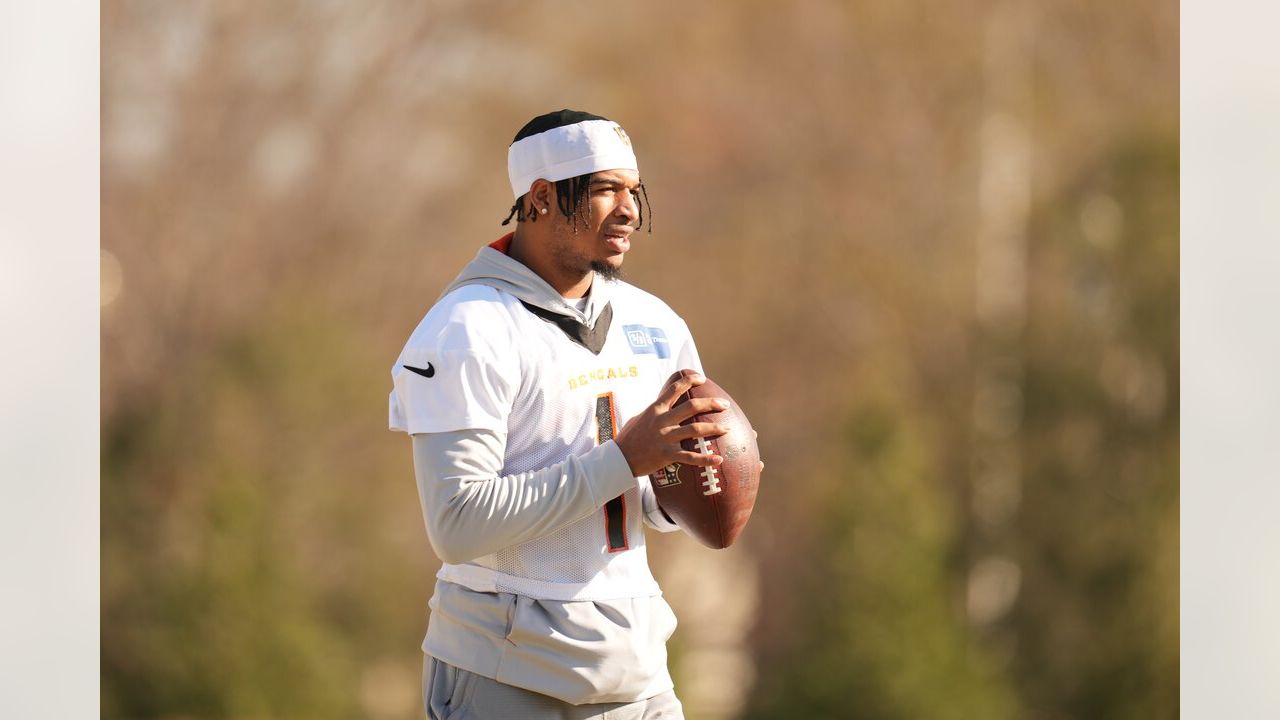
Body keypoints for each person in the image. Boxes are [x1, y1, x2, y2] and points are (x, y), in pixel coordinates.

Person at [388, 109, 731, 719]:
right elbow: (458, 525)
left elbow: (650, 505)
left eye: (634, 191)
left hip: (637, 671)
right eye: (603, 189)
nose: (629, 210)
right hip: (507, 671)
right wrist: (626, 458)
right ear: (541, 198)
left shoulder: (655, 323)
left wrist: (703, 476)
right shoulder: (469, 327)